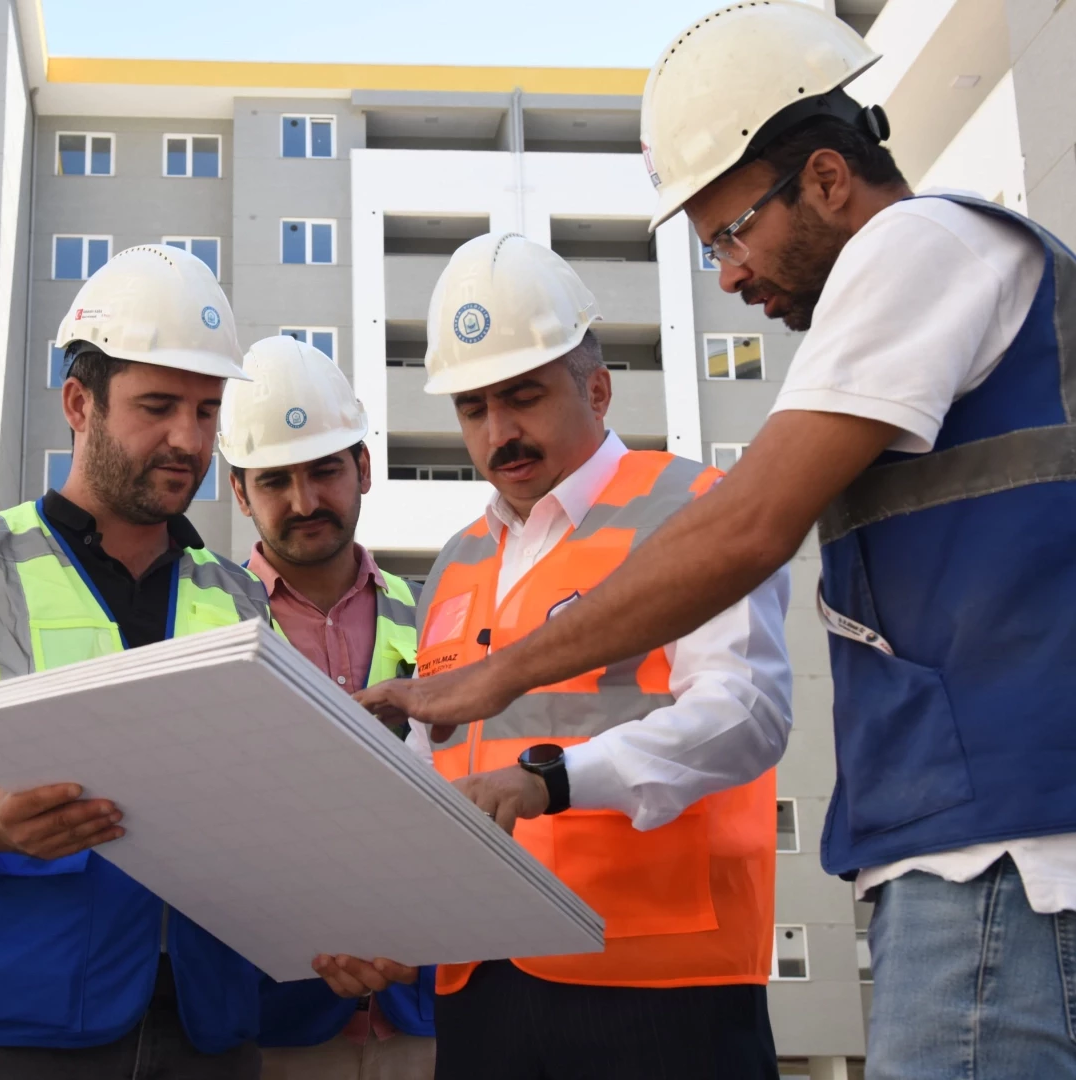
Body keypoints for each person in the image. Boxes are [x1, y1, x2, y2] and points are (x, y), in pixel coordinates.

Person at [356, 3, 1076, 1078]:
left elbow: (746, 531)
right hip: (967, 835)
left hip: (998, 846)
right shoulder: (461, 556)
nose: (729, 276)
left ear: (828, 180)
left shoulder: (917, 244)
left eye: (729, 233)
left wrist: (495, 680)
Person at [338, 232, 793, 1080]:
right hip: (481, 983)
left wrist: (552, 782)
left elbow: (745, 711)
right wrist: (381, 912)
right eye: (472, 409)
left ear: (597, 387)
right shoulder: (455, 561)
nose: (498, 431)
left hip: (659, 984)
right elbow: (435, 765)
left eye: (523, 397)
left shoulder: (694, 506)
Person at [0, 245, 276, 1080]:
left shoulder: (240, 600)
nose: (186, 439)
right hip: (11, 1022)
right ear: (79, 402)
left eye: (206, 411)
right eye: (157, 406)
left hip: (208, 1022)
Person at [218, 335, 435, 1080]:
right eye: (274, 480)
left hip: (425, 1002)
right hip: (267, 1013)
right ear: (239, 492)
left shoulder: (436, 617)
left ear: (363, 468)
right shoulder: (201, 627)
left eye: (324, 470)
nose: (304, 501)